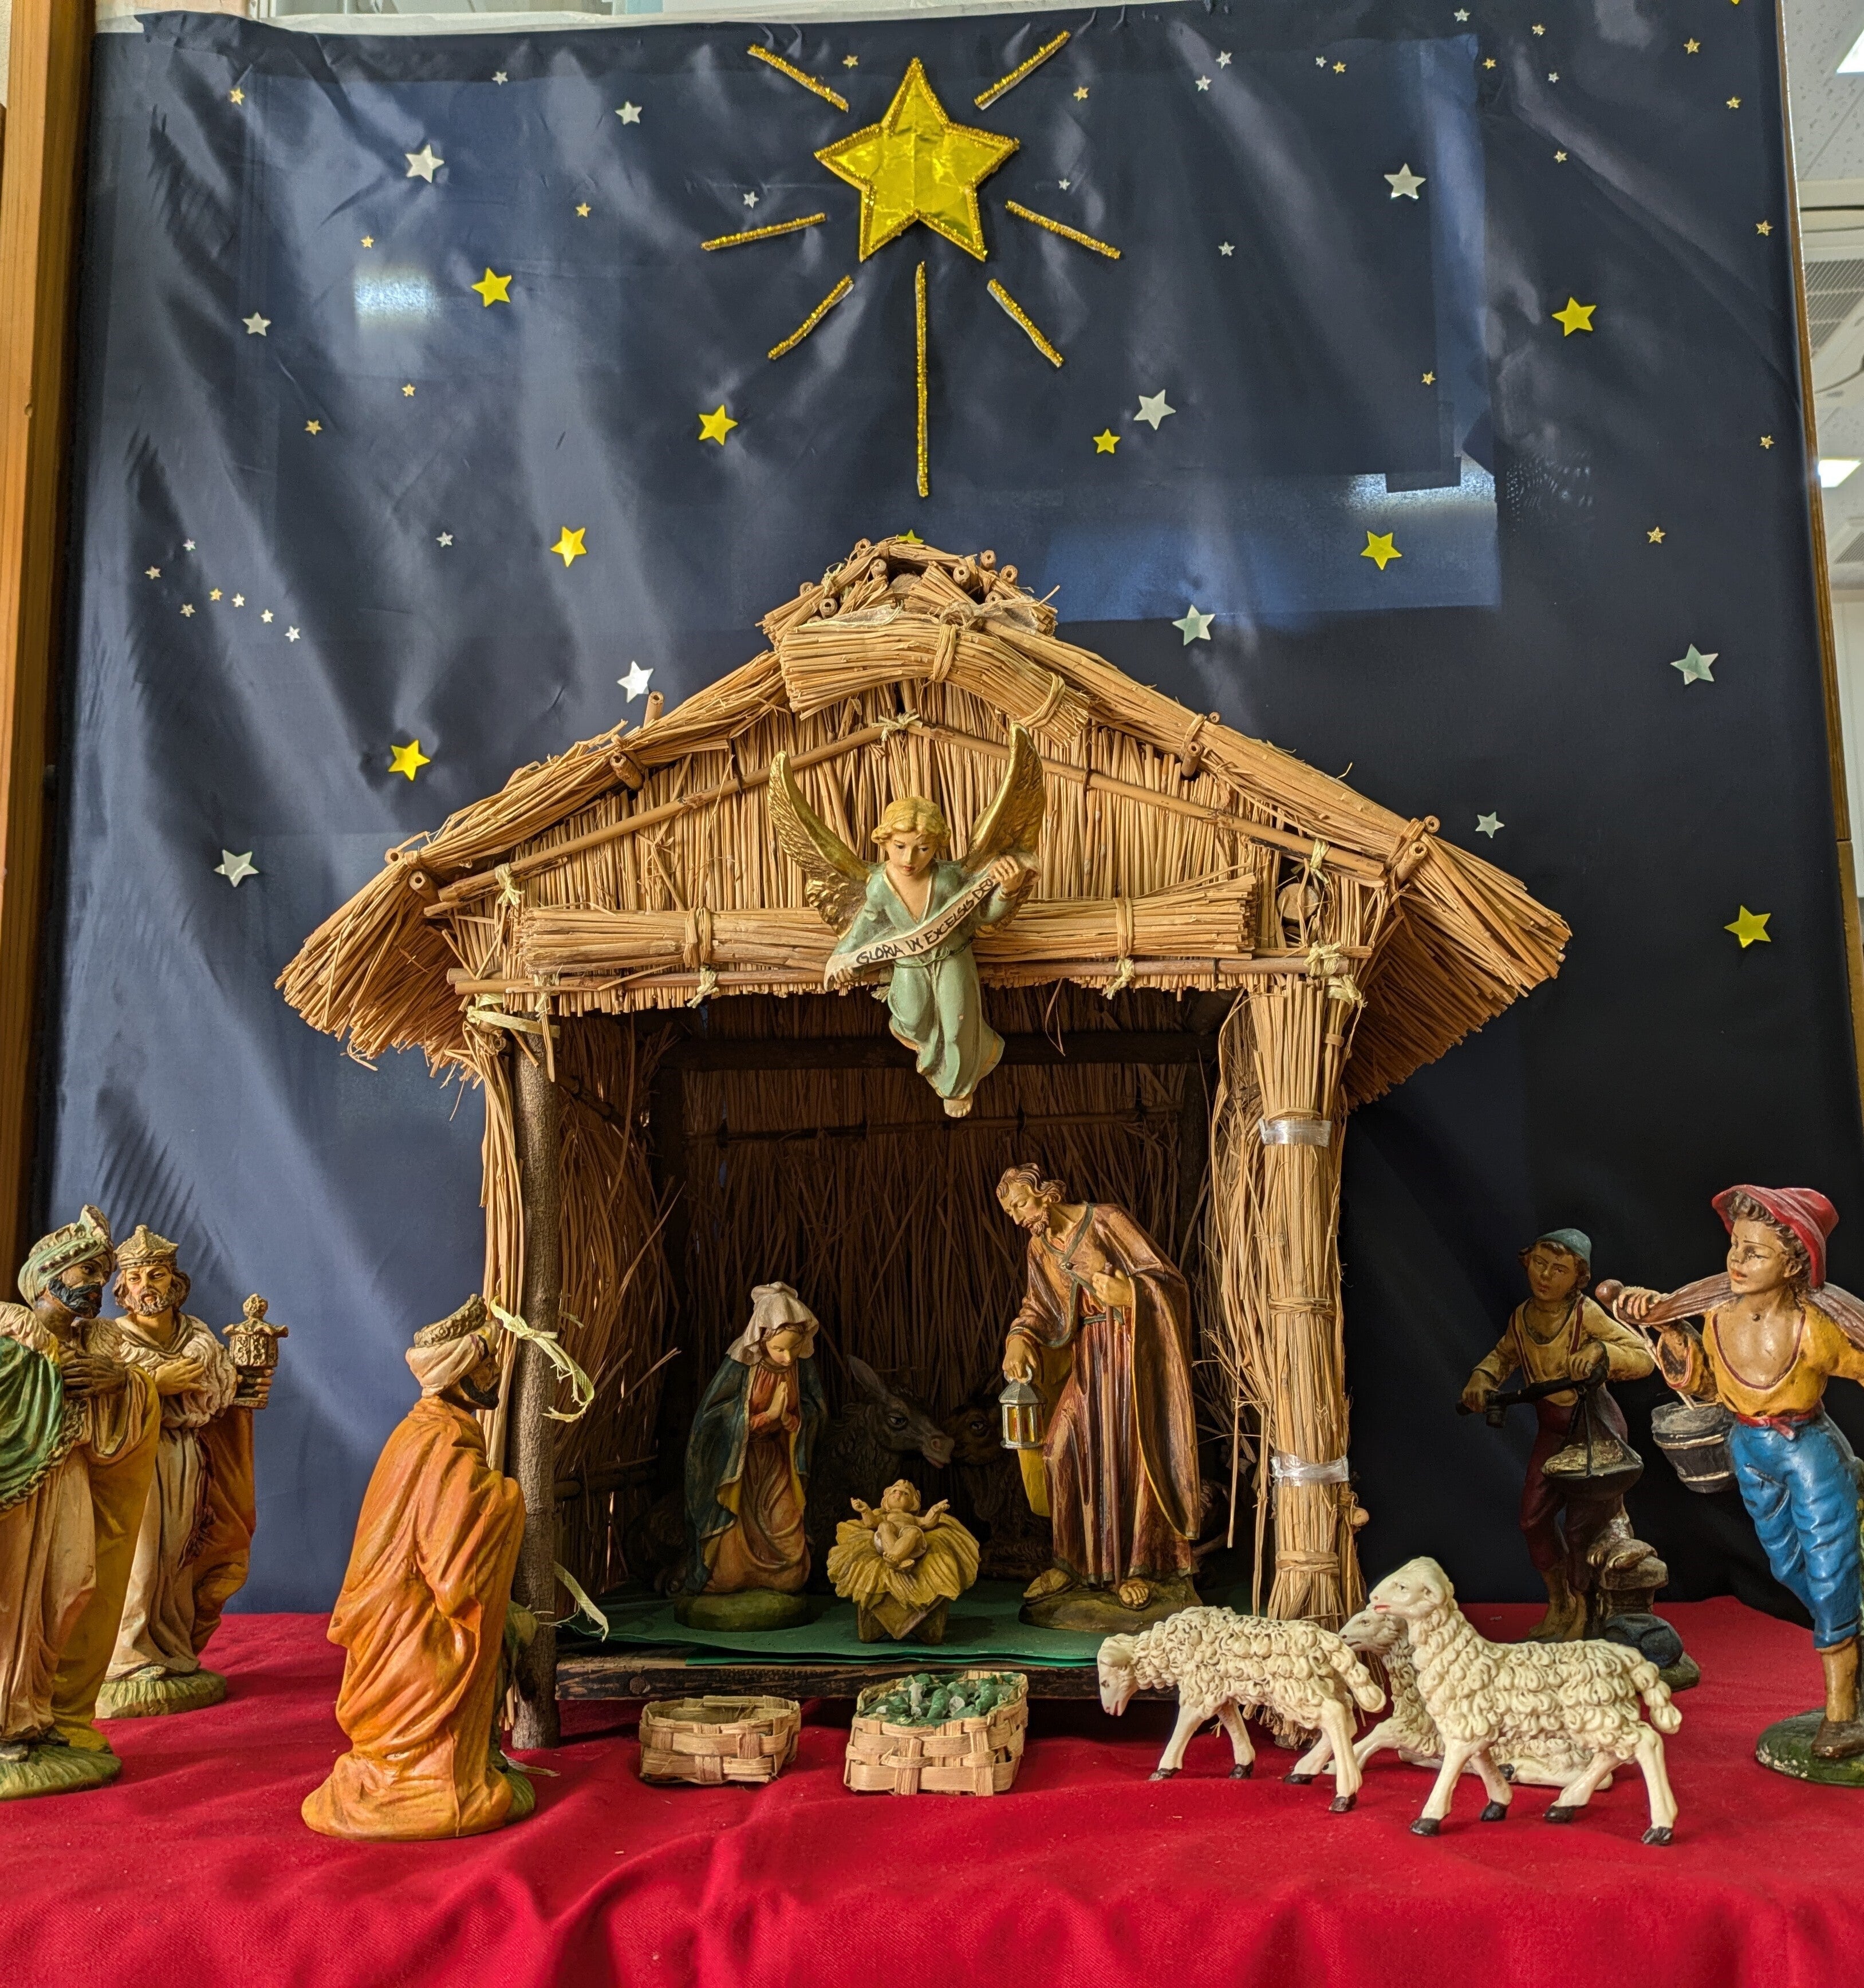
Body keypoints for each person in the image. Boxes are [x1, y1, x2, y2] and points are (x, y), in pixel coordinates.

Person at [1617, 1186, 1864, 1760]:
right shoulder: (1717, 1316)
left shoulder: (1813, 1327)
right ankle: (1852, 1637)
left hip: (1808, 1451)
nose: (1736, 1260)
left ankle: (1842, 1714)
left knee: (1829, 1572)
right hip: (1750, 1448)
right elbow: (1708, 1388)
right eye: (1735, 1246)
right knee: (1787, 1565)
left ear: (1793, 1263)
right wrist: (1670, 1336)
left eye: (1754, 1252)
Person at [302, 1294, 533, 1839]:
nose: (494, 1373)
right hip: (412, 1619)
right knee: (436, 1692)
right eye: (485, 1363)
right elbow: (452, 1562)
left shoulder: (423, 1429)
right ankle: (431, 1786)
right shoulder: (444, 1439)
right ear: (459, 1375)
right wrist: (509, 1497)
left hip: (393, 1609)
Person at [0, 1207, 159, 1796]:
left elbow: (117, 1433)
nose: (98, 1285)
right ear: (49, 1275)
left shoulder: (100, 1344)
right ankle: (6, 1722)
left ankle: (37, 1713)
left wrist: (121, 1386)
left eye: (102, 1274)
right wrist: (47, 1376)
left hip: (67, 1478)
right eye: (87, 1271)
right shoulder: (11, 1333)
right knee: (9, 1602)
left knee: (72, 1586)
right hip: (15, 1494)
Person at [997, 1163, 1200, 1623]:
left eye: (1021, 1205)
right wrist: (1019, 1337)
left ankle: (1138, 1567)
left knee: (1131, 1456)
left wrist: (1130, 1293)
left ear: (1045, 1194)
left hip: (1131, 1353)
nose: (1018, 1217)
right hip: (1089, 1354)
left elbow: (1168, 1283)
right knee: (1061, 1450)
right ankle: (1073, 1564)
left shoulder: (1107, 1219)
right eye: (1010, 1212)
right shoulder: (1039, 1247)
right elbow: (1038, 1306)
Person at [1460, 1228, 1657, 1639]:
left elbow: (1643, 1357)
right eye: (1539, 1263)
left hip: (1594, 1427)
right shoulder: (1522, 1317)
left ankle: (1585, 1612)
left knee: (1581, 1528)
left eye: (1559, 1269)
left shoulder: (1586, 1314)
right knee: (1533, 1519)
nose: (1545, 1276)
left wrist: (1601, 1352)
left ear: (1577, 1278)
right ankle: (1559, 1602)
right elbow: (1502, 1356)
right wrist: (1482, 1377)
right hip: (1552, 1428)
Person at [93, 1226, 245, 1713]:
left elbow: (219, 1392)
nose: (146, 1287)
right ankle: (127, 1655)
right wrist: (155, 1384)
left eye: (156, 1275)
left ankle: (172, 1649)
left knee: (179, 1556)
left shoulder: (197, 1337)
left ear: (174, 1281)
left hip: (186, 1454)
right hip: (132, 1458)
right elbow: (97, 1398)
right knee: (139, 1558)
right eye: (136, 1278)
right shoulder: (109, 1340)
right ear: (123, 1288)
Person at [826, 796, 1030, 1118]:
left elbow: (981, 917)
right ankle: (944, 1048)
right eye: (899, 847)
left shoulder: (948, 880)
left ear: (936, 847)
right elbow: (865, 927)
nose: (909, 859)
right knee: (913, 1019)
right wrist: (842, 957)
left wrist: (1007, 890)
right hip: (909, 963)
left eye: (923, 849)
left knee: (958, 1025)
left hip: (952, 959)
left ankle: (957, 1087)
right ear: (884, 841)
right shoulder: (880, 886)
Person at [677, 1283, 825, 1619]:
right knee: (728, 1575)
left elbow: (815, 1412)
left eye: (795, 1347)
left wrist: (790, 1421)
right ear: (761, 1340)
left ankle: (774, 1579)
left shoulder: (800, 1367)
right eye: (779, 1349)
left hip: (779, 1464)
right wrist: (763, 1418)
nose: (788, 1357)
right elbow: (711, 1422)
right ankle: (733, 1574)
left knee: (791, 1569)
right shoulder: (741, 1367)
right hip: (738, 1470)